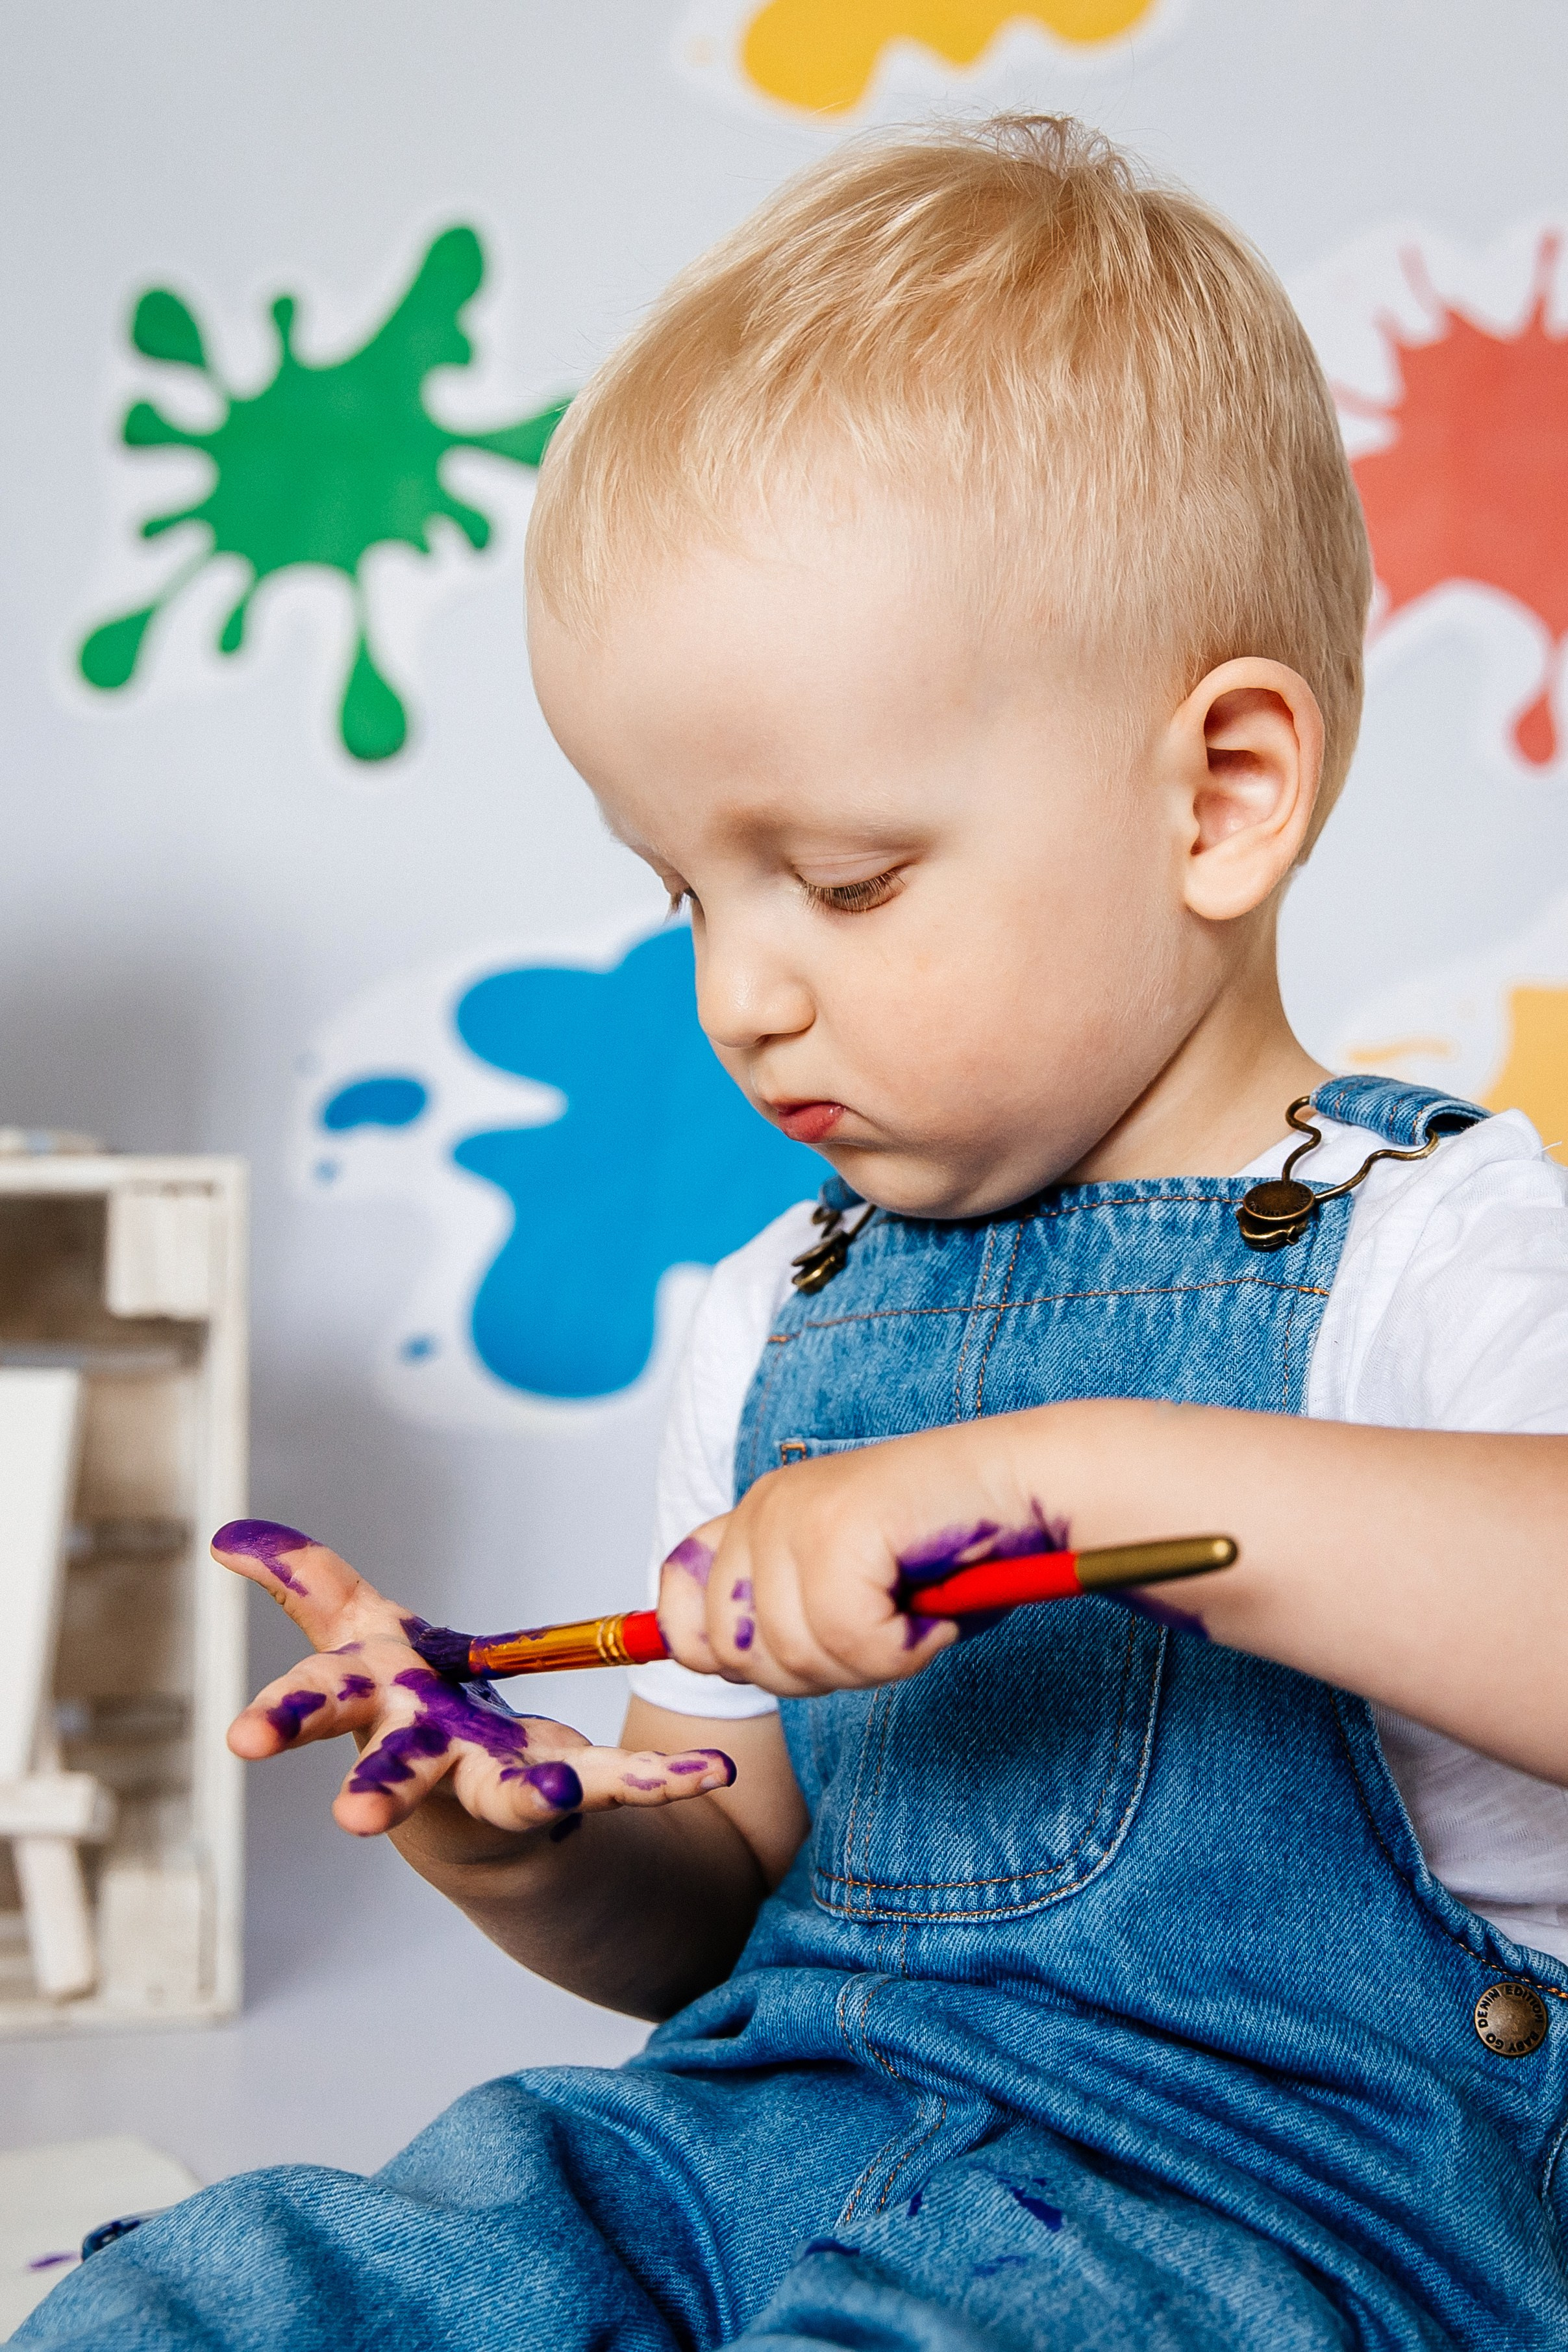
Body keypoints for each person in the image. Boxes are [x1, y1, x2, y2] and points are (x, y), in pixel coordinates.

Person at [24, 115, 1568, 2352]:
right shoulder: (784, 1313)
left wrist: (1085, 1490)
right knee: (280, 2285)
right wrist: (535, 1845)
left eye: (842, 880)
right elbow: (727, 1903)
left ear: (1221, 793)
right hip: (767, 2134)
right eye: (685, 891)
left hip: (1275, 2219)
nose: (739, 988)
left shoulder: (1433, 1247)